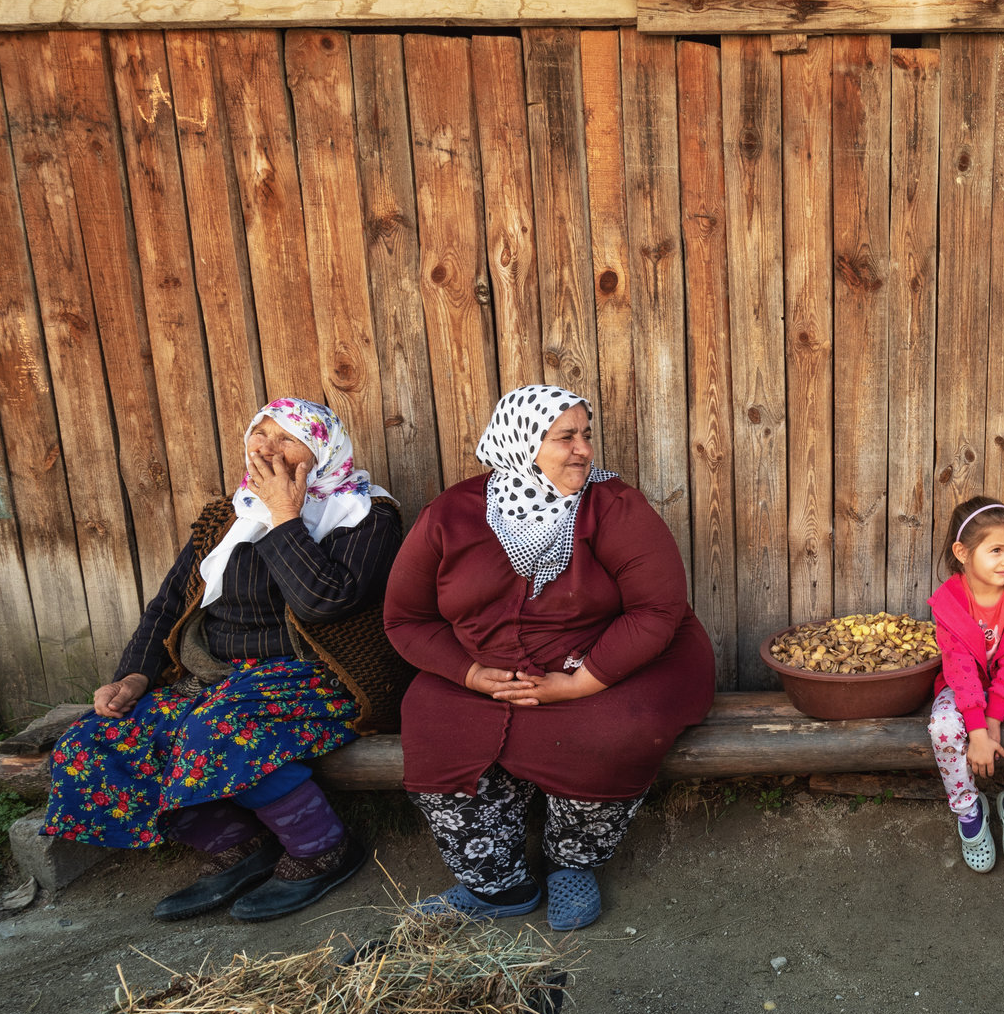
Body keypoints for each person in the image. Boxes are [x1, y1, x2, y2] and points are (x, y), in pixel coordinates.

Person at [42, 398, 404, 922]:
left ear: (322, 450)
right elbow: (171, 603)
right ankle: (239, 846)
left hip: (320, 675)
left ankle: (323, 849)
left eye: (288, 438)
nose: (268, 449)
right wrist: (135, 675)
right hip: (217, 675)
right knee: (94, 740)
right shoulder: (228, 515)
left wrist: (285, 516)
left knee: (220, 730)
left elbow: (323, 603)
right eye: (260, 434)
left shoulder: (366, 515)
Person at [385, 384, 714, 932]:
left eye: (586, 435)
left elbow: (657, 610)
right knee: (431, 722)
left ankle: (572, 864)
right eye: (565, 437)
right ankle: (497, 884)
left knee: (618, 730)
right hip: (483, 673)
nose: (583, 449)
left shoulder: (613, 506)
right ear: (521, 443)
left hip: (606, 664)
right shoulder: (452, 514)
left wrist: (581, 683)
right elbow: (406, 618)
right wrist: (471, 674)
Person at [927, 496, 1004, 873]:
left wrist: (994, 717)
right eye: (996, 550)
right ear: (962, 552)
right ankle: (969, 812)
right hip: (961, 688)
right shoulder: (949, 600)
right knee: (943, 727)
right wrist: (977, 729)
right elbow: (959, 666)